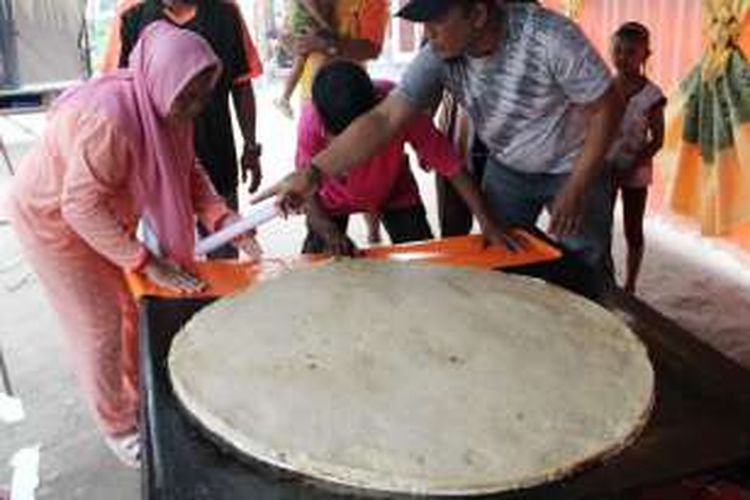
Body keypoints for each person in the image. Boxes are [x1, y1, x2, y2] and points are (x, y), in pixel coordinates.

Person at [8, 22, 261, 467]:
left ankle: (138, 394)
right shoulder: (113, 119)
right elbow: (79, 208)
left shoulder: (164, 105)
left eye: (204, 94)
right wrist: (146, 260)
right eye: (188, 97)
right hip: (54, 222)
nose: (196, 107)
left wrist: (224, 218)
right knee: (98, 325)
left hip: (99, 213)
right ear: (161, 79)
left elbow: (189, 172)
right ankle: (118, 426)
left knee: (130, 308)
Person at [256, 0, 623, 293]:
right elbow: (384, 119)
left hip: (575, 166)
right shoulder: (439, 54)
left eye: (436, 20)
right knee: (502, 259)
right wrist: (313, 174)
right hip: (508, 168)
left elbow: (608, 106)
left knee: (587, 266)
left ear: (477, 14)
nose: (426, 35)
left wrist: (577, 184)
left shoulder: (550, 37)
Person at [297, 61, 512, 255]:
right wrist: (327, 229)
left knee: (424, 263)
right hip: (331, 201)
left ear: (378, 110)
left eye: (365, 140)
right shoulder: (310, 121)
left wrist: (487, 222)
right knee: (313, 268)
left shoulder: (400, 105)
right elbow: (304, 189)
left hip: (394, 192)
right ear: (323, 122)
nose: (357, 155)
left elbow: (451, 166)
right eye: (342, 141)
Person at [103, 0, 264, 258]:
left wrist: (251, 147)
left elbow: (241, 83)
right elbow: (117, 89)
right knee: (165, 260)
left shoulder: (225, 12)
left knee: (223, 255)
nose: (194, 106)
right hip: (153, 165)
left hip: (216, 153)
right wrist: (139, 260)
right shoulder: (131, 14)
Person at [606, 22, 666, 294]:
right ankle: (602, 274)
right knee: (599, 223)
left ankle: (630, 284)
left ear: (645, 56)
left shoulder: (652, 96)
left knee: (633, 228)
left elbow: (658, 140)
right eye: (617, 50)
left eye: (630, 52)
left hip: (636, 169)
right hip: (605, 165)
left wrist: (634, 162)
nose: (622, 57)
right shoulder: (604, 85)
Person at [274, 0, 335, 118]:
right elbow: (311, 7)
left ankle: (285, 98)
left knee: (300, 64)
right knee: (300, 63)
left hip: (307, 27)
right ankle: (285, 98)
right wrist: (324, 24)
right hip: (305, 27)